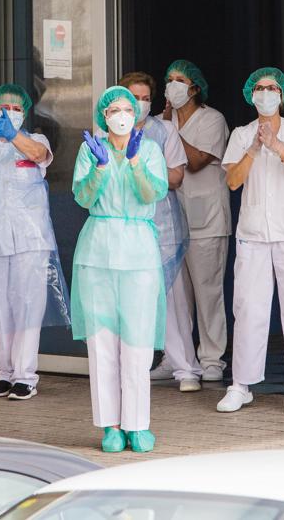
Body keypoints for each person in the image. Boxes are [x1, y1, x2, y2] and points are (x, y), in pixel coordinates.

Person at [216, 67, 284, 415]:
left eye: (272, 88)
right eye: (259, 88)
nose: (265, 93)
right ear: (251, 94)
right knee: (248, 309)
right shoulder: (241, 134)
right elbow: (233, 182)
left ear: (282, 95)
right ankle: (241, 385)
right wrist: (253, 149)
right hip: (254, 235)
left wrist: (276, 146)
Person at [72, 86, 168, 453]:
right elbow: (83, 197)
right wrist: (98, 168)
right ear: (103, 115)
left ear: (137, 113)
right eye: (113, 109)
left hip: (138, 253)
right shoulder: (90, 149)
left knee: (137, 344)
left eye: (128, 108)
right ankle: (111, 427)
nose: (121, 114)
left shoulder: (149, 150)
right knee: (102, 346)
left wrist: (133, 162)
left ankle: (138, 424)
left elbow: (152, 194)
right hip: (98, 250)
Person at [0, 84, 70, 401]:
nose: (8, 112)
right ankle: (5, 373)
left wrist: (11, 134)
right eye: (3, 107)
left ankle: (26, 375)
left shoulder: (36, 140)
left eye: (14, 107)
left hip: (30, 237)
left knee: (27, 305)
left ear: (24, 111)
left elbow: (39, 156)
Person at [120, 72, 203, 392]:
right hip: (125, 226)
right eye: (133, 98)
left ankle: (186, 369)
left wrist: (141, 167)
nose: (140, 105)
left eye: (145, 99)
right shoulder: (109, 132)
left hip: (162, 226)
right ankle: (135, 368)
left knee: (173, 299)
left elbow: (176, 177)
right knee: (131, 300)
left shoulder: (164, 129)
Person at [161, 59, 231, 382]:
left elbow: (197, 161)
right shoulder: (163, 121)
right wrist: (164, 125)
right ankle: (177, 357)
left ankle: (212, 357)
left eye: (179, 80)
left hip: (207, 219)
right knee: (176, 294)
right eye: (169, 79)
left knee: (207, 290)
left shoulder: (212, 119)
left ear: (194, 88)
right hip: (173, 219)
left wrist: (168, 130)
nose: (172, 85)